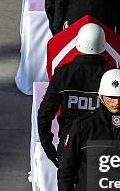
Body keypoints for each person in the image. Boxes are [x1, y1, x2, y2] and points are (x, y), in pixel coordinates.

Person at [38, 23, 110, 167]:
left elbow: (45, 114)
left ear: (77, 44)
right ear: (103, 46)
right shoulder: (111, 76)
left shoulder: (62, 74)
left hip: (69, 145)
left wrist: (49, 148)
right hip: (102, 149)